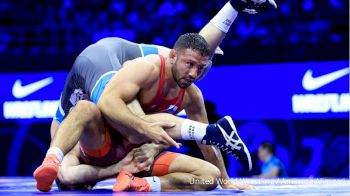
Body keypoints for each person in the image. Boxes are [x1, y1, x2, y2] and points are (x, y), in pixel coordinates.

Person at [34, 0, 277, 192]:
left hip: (100, 62)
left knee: (187, 60)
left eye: (81, 188)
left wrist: (224, 180)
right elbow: (70, 175)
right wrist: (122, 165)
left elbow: (65, 170)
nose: (84, 187)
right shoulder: (159, 75)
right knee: (185, 64)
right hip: (108, 71)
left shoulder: (74, 139)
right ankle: (233, 6)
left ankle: (234, 5)